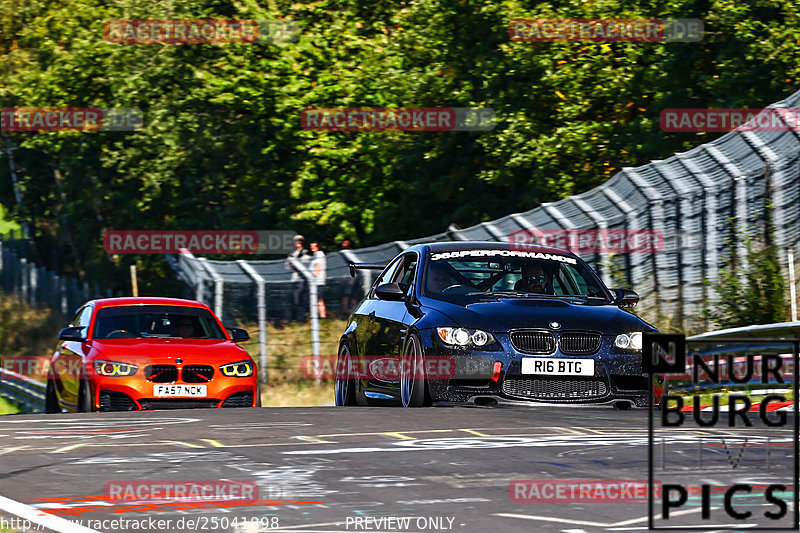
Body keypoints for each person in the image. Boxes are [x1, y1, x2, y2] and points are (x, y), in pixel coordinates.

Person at [285, 234, 310, 321]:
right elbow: (287, 267)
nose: (298, 243)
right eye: (296, 241)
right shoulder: (292, 254)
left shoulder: (306, 253)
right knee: (294, 299)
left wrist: (295, 265)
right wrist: (292, 265)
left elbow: (306, 265)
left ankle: (302, 317)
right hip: (294, 278)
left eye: (300, 241)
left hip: (303, 279)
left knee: (302, 299)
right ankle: (296, 318)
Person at [339, 239, 360, 314]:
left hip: (355, 276)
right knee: (346, 295)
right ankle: (345, 311)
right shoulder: (342, 254)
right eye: (344, 243)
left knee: (355, 295)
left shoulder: (353, 253)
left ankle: (354, 310)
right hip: (347, 277)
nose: (345, 244)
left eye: (346, 243)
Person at [309, 239, 327, 318]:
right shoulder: (315, 255)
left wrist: (313, 277)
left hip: (318, 281)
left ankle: (322, 315)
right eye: (311, 246)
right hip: (315, 281)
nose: (312, 248)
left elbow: (318, 266)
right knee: (316, 299)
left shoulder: (319, 254)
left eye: (314, 246)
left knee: (319, 299)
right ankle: (317, 316)